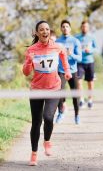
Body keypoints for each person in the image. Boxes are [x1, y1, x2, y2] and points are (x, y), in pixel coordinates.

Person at [22, 20, 71, 166]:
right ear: (37, 33)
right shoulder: (31, 50)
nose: (45, 32)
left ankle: (47, 141)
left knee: (48, 117)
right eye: (41, 30)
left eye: (47, 29)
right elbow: (26, 73)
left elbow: (63, 56)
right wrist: (29, 62)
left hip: (54, 88)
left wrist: (67, 71)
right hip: (37, 89)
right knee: (36, 122)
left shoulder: (57, 47)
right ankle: (34, 154)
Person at [55, 19, 82, 124]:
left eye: (67, 26)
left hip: (73, 71)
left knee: (75, 94)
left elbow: (79, 58)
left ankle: (77, 115)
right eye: (63, 26)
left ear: (70, 28)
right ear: (61, 29)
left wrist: (71, 54)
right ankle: (61, 112)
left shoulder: (75, 41)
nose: (65, 28)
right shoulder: (57, 42)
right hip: (61, 71)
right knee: (59, 92)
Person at [75, 21, 97, 109]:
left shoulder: (92, 37)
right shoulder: (77, 37)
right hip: (80, 62)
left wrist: (90, 50)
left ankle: (90, 100)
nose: (84, 28)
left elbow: (96, 48)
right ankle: (81, 99)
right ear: (81, 27)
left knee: (90, 82)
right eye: (83, 26)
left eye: (86, 27)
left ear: (88, 28)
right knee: (79, 81)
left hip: (90, 62)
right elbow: (74, 47)